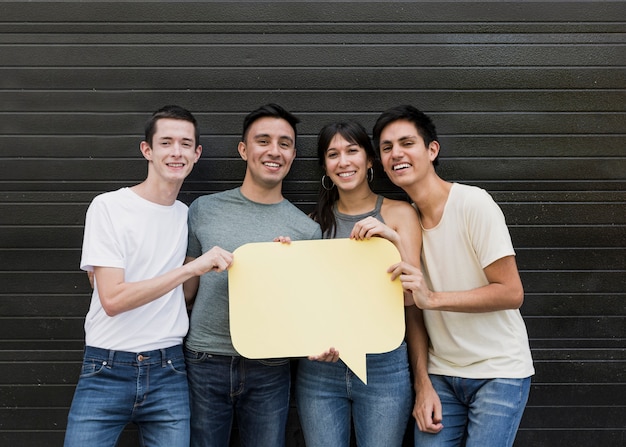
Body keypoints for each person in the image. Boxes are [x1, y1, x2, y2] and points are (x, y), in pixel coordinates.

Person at [64, 105, 234, 447]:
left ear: (197, 153)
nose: (176, 152)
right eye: (166, 142)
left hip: (168, 369)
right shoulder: (109, 207)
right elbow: (112, 300)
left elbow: (183, 296)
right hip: (105, 367)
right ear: (148, 150)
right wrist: (193, 266)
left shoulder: (186, 216)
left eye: (186, 144)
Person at [373, 105, 535, 447]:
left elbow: (510, 292)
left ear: (432, 150)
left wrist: (433, 298)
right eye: (386, 148)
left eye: (406, 143)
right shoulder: (405, 222)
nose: (395, 154)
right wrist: (423, 385)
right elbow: (412, 310)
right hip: (441, 375)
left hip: (498, 371)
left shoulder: (473, 204)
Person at [183, 103, 337, 447]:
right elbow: (186, 293)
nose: (274, 151)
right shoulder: (203, 210)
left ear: (294, 154)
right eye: (263, 140)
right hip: (206, 359)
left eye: (284, 143)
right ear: (243, 149)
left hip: (271, 366)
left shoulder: (307, 230)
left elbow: (308, 308)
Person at [295, 120, 431, 446]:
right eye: (333, 154)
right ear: (325, 167)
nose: (344, 161)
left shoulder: (399, 214)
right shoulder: (313, 225)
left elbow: (411, 300)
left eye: (352, 151)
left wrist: (391, 237)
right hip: (321, 371)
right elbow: (304, 303)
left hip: (385, 367)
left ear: (369, 160)